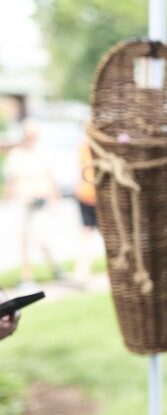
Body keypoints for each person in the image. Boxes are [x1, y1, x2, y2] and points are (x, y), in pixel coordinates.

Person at [4, 120, 64, 290]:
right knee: (23, 239)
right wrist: (6, 200)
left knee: (41, 237)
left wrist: (55, 200)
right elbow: (11, 181)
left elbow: (51, 178)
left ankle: (56, 267)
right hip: (23, 201)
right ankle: (26, 275)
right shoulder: (15, 154)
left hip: (41, 201)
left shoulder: (44, 153)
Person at [72, 139, 101, 285]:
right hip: (90, 195)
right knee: (87, 234)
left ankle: (82, 272)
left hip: (91, 194)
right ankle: (82, 272)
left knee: (88, 234)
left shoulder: (84, 146)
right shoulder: (86, 147)